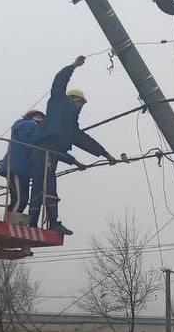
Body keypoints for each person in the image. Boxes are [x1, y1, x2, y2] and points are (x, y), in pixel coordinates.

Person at [28, 55, 117, 235]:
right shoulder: (58, 102)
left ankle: (34, 223)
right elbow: (59, 81)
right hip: (43, 149)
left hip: (50, 153)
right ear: (73, 99)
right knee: (46, 185)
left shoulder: (71, 126)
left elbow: (83, 139)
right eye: (81, 103)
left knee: (41, 186)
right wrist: (73, 66)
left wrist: (105, 154)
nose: (81, 107)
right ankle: (50, 223)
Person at [0, 109, 45, 220]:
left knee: (21, 199)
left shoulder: (32, 127)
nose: (40, 119)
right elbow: (27, 140)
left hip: (24, 169)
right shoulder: (25, 124)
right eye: (38, 117)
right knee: (20, 199)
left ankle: (13, 220)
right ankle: (10, 224)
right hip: (17, 167)